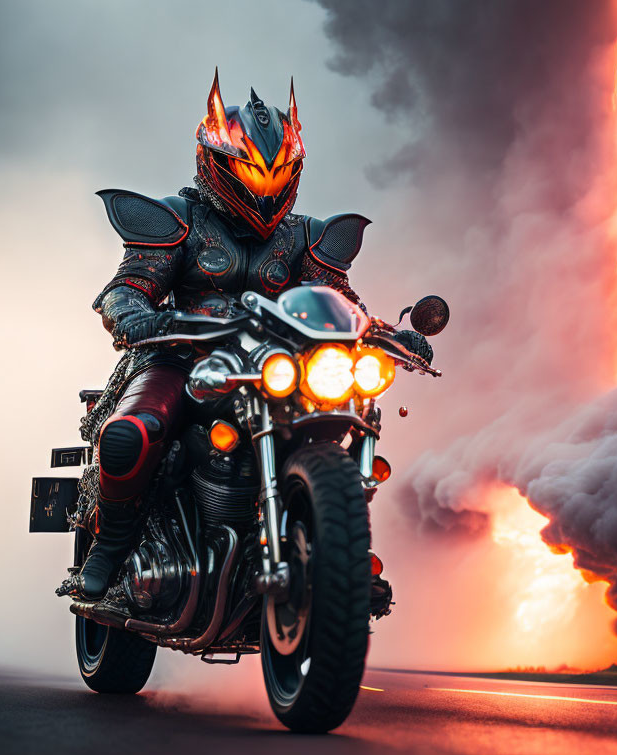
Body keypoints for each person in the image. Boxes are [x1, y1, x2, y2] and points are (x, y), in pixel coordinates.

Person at [68, 70, 428, 601]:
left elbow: (341, 304)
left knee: (346, 417)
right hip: (182, 358)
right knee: (132, 433)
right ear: (216, 162)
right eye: (250, 172)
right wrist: (139, 315)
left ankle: (337, 552)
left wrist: (387, 333)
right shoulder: (177, 219)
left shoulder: (307, 236)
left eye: (275, 173)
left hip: (280, 365)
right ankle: (113, 545)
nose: (262, 186)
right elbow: (127, 288)